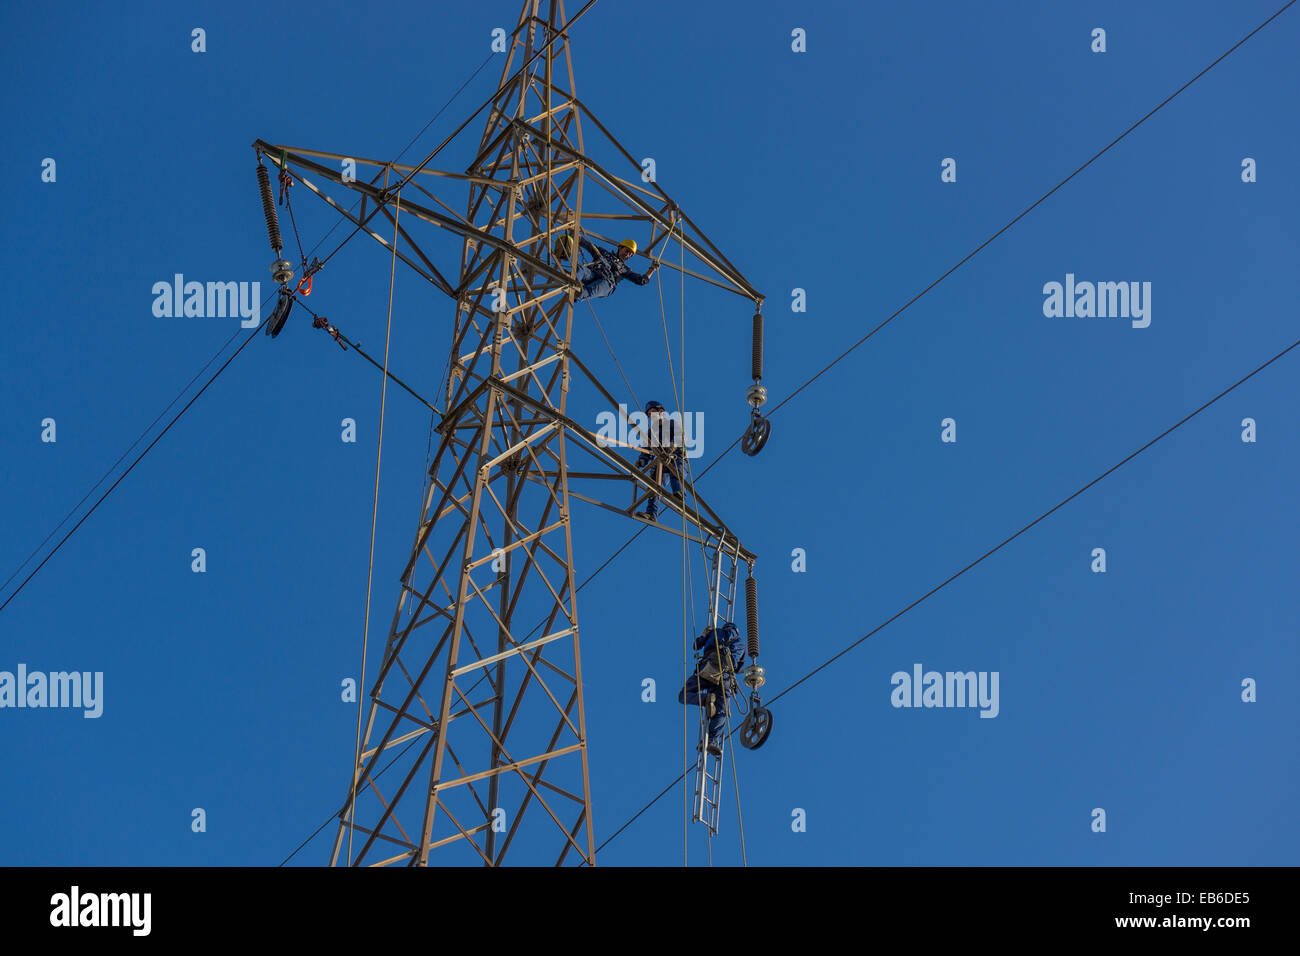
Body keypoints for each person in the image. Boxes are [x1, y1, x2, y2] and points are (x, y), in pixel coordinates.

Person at [678, 622, 745, 755]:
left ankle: (705, 699)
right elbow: (737, 668)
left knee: (683, 695)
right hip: (724, 676)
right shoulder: (741, 642)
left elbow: (696, 646)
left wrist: (705, 634)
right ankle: (710, 741)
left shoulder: (714, 632)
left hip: (707, 668)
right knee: (721, 711)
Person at [634, 400, 684, 520]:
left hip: (675, 457)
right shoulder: (652, 432)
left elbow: (681, 437)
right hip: (662, 461)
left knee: (675, 472)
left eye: (653, 413)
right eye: (650, 415)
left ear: (661, 412)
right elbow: (647, 449)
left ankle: (678, 495)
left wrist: (673, 445)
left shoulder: (672, 423)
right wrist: (642, 460)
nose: (652, 416)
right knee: (653, 484)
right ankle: (651, 513)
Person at [574, 236, 657, 301]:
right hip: (593, 274)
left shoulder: (625, 269)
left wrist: (652, 269)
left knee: (589, 291)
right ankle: (572, 281)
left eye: (630, 255)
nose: (627, 255)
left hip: (607, 282)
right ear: (620, 247)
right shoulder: (604, 253)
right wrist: (578, 238)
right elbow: (590, 246)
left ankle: (576, 294)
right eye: (627, 251)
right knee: (580, 269)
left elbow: (641, 280)